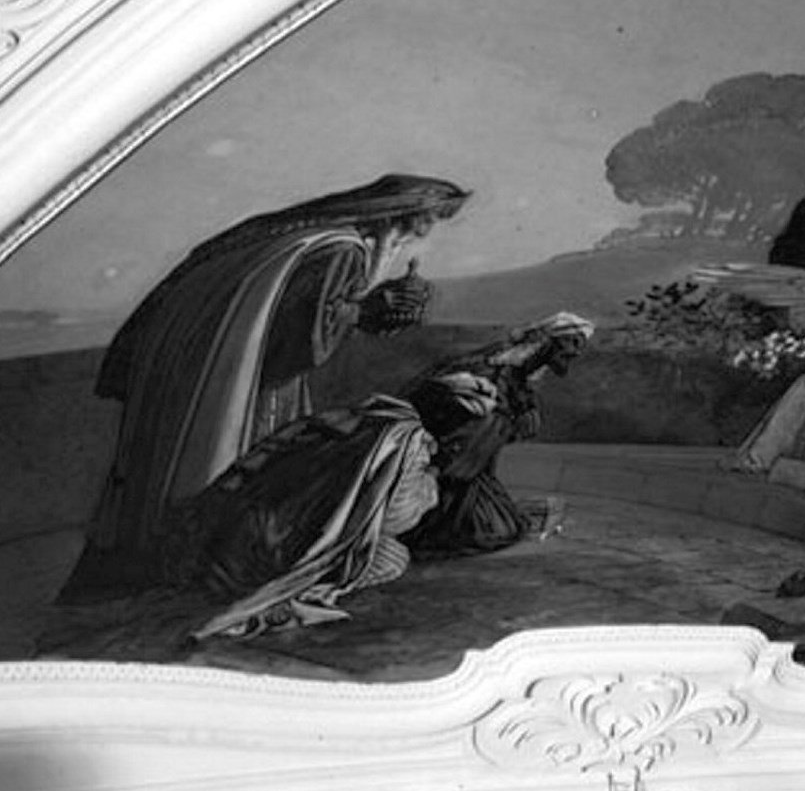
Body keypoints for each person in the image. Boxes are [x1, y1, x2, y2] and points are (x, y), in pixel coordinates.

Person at [59, 174, 469, 602]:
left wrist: (363, 308)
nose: (422, 234)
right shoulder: (340, 250)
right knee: (239, 473)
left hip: (197, 371)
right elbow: (302, 337)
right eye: (425, 221)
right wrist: (369, 310)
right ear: (395, 216)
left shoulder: (301, 235)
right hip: (249, 383)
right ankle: (207, 566)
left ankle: (158, 563)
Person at [166, 394, 441, 642]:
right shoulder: (405, 442)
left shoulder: (355, 421)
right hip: (273, 547)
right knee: (391, 558)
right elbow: (394, 517)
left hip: (237, 524)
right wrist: (429, 489)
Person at [404, 313, 595, 556]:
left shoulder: (523, 369)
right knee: (488, 528)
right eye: (573, 343)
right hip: (452, 452)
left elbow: (517, 404)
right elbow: (475, 413)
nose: (577, 352)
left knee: (502, 524)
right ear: (553, 343)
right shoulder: (496, 367)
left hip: (472, 454)